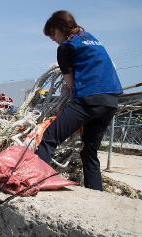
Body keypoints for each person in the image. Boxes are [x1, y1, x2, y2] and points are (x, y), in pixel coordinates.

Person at [36, 10, 123, 191]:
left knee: (50, 137)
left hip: (89, 99)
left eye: (53, 34)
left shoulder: (65, 47)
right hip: (111, 101)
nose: (53, 38)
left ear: (61, 29)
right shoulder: (91, 38)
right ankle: (96, 193)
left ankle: (32, 182)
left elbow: (70, 84)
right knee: (89, 151)